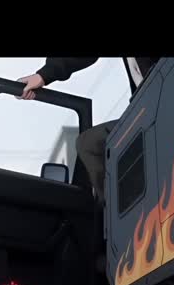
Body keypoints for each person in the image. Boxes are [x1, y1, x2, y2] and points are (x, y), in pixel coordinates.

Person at [18, 56, 159, 203]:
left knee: (90, 144)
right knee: (90, 144)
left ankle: (126, 209)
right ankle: (118, 209)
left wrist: (43, 75)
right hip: (144, 110)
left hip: (165, 99)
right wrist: (43, 76)